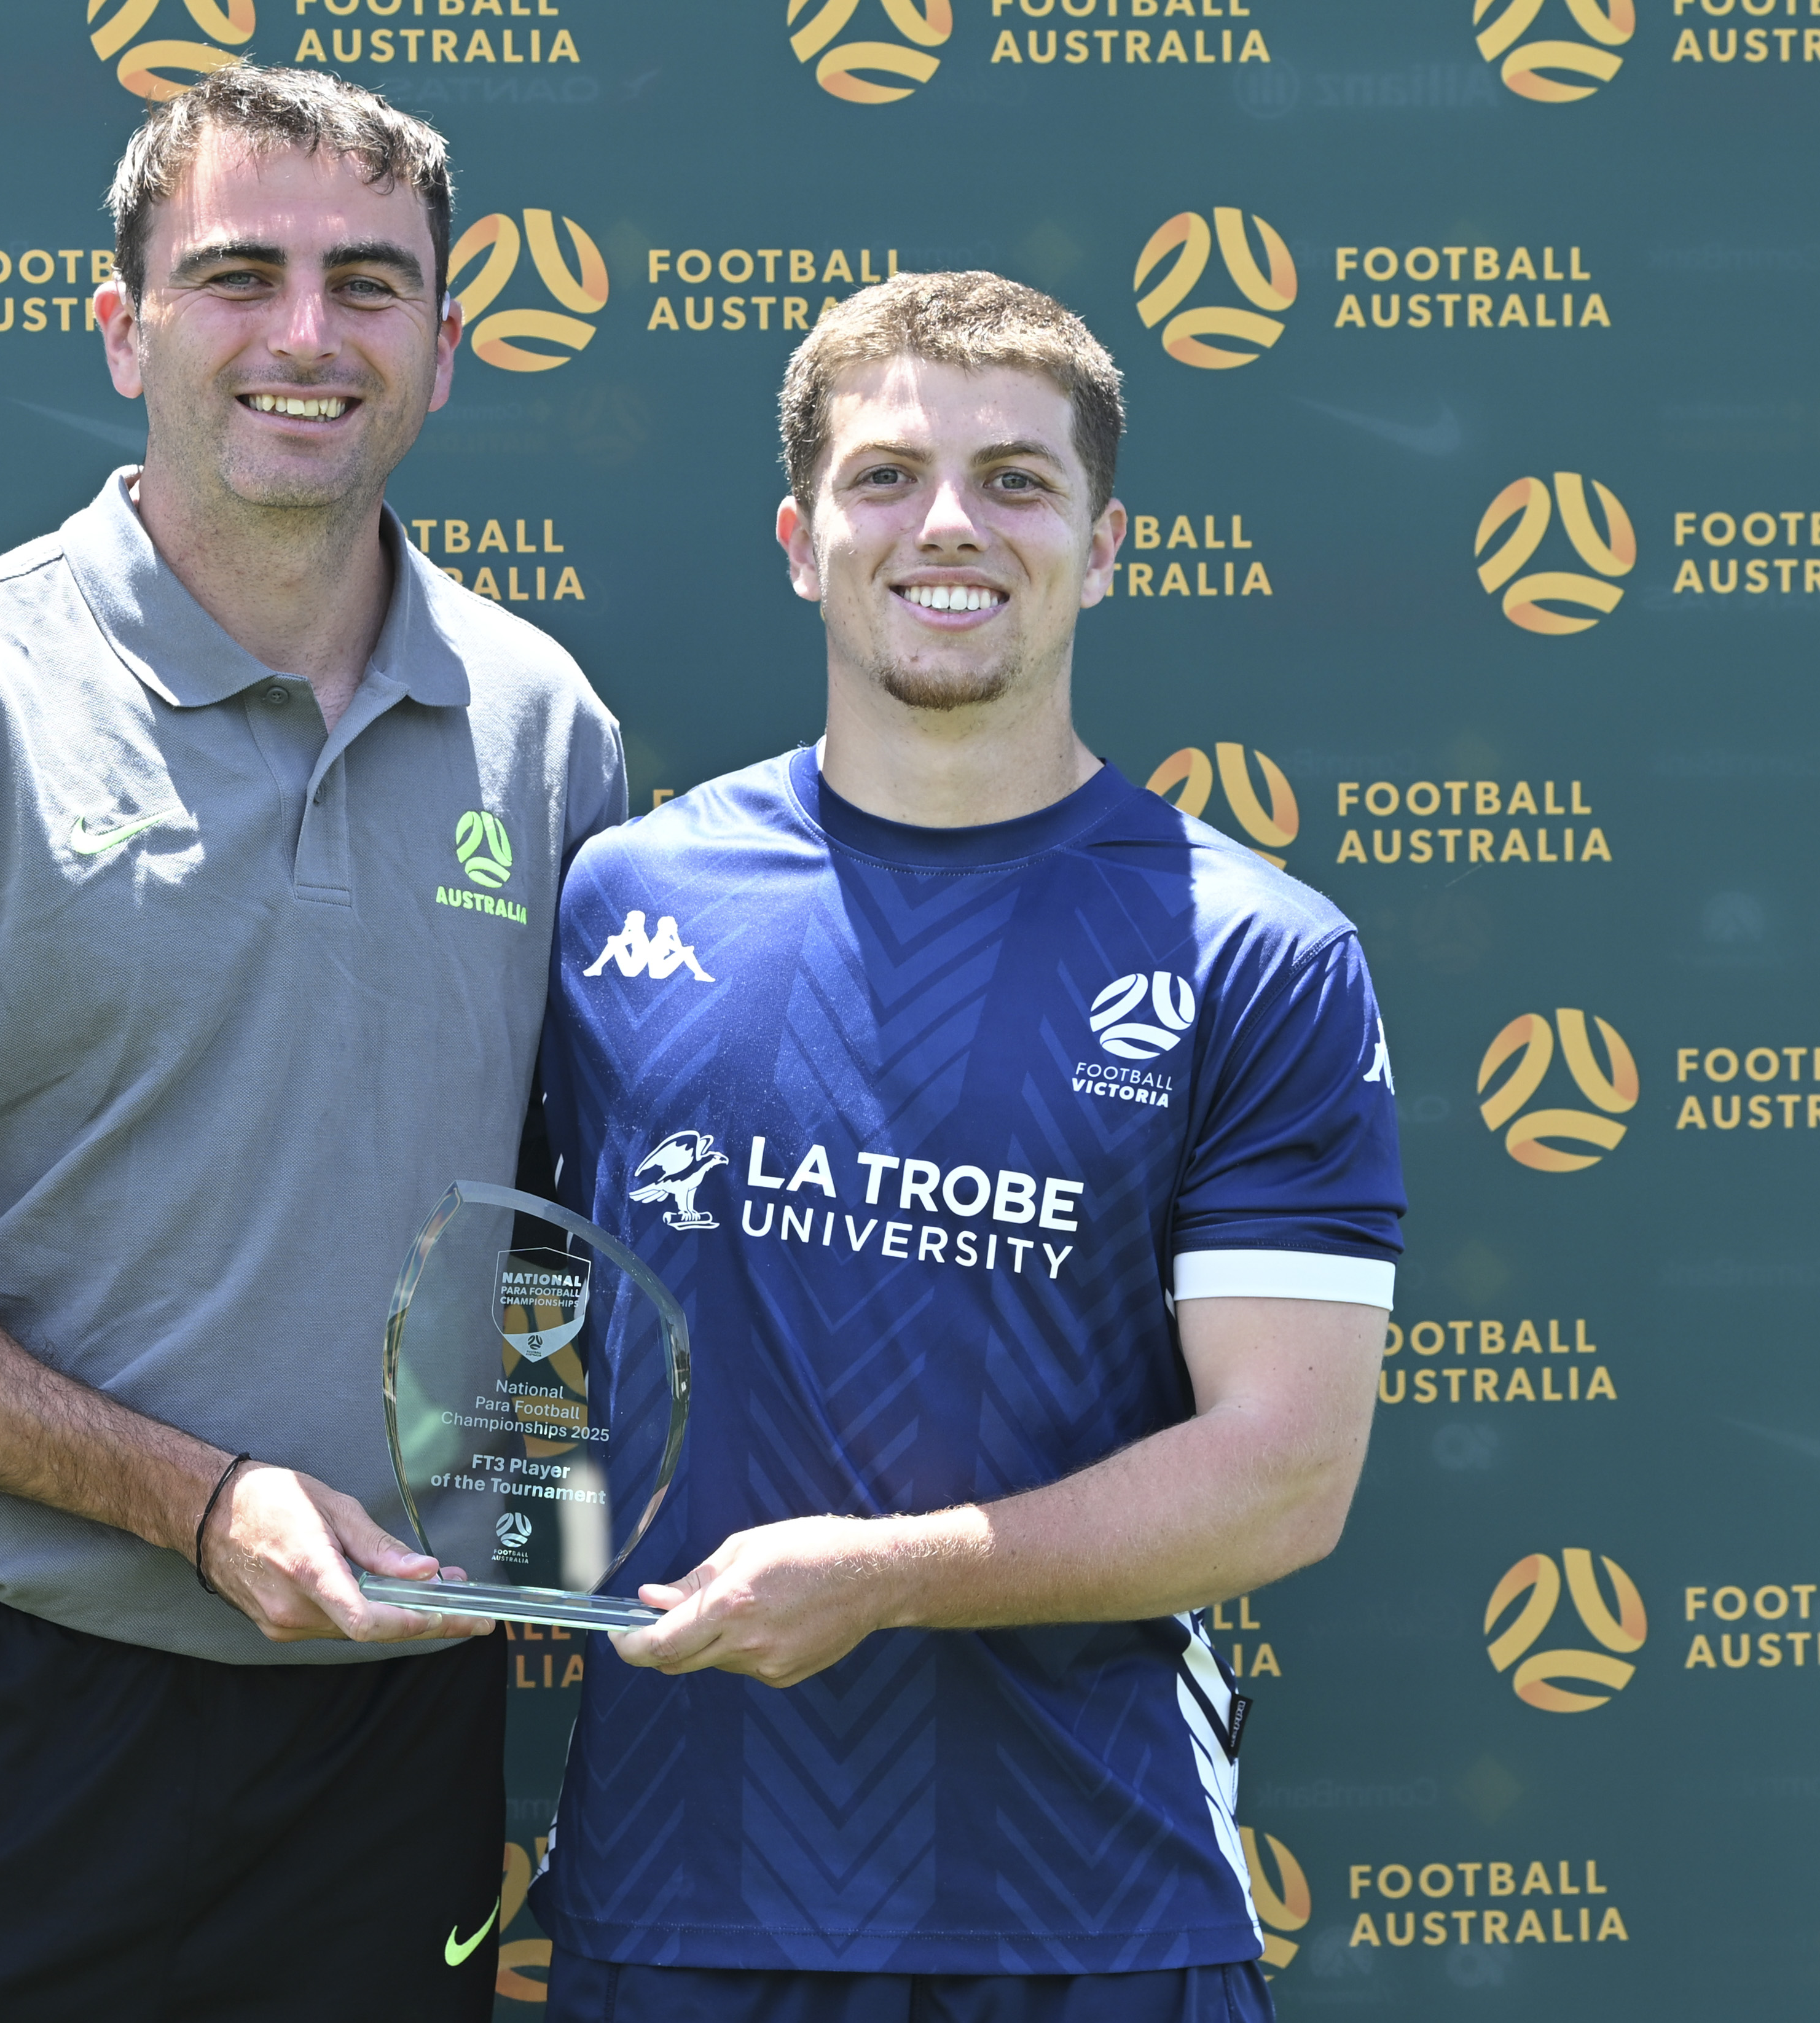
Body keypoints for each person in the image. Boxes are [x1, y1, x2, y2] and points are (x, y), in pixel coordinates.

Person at [0, 63, 625, 2021]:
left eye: (367, 283)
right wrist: (189, 1501)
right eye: (235, 274)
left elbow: (556, 1241)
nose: (303, 335)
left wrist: (581, 1546)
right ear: (124, 331)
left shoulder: (546, 733)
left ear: (443, 347)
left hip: (385, 1739)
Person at [530, 271, 1405, 2023]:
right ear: (798, 537)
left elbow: (1285, 1475)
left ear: (1102, 547)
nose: (947, 525)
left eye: (1016, 480)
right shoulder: (624, 898)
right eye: (883, 477)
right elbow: (519, 1338)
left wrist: (885, 1578)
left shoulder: (1253, 946)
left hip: (1090, 1919)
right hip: (673, 1893)